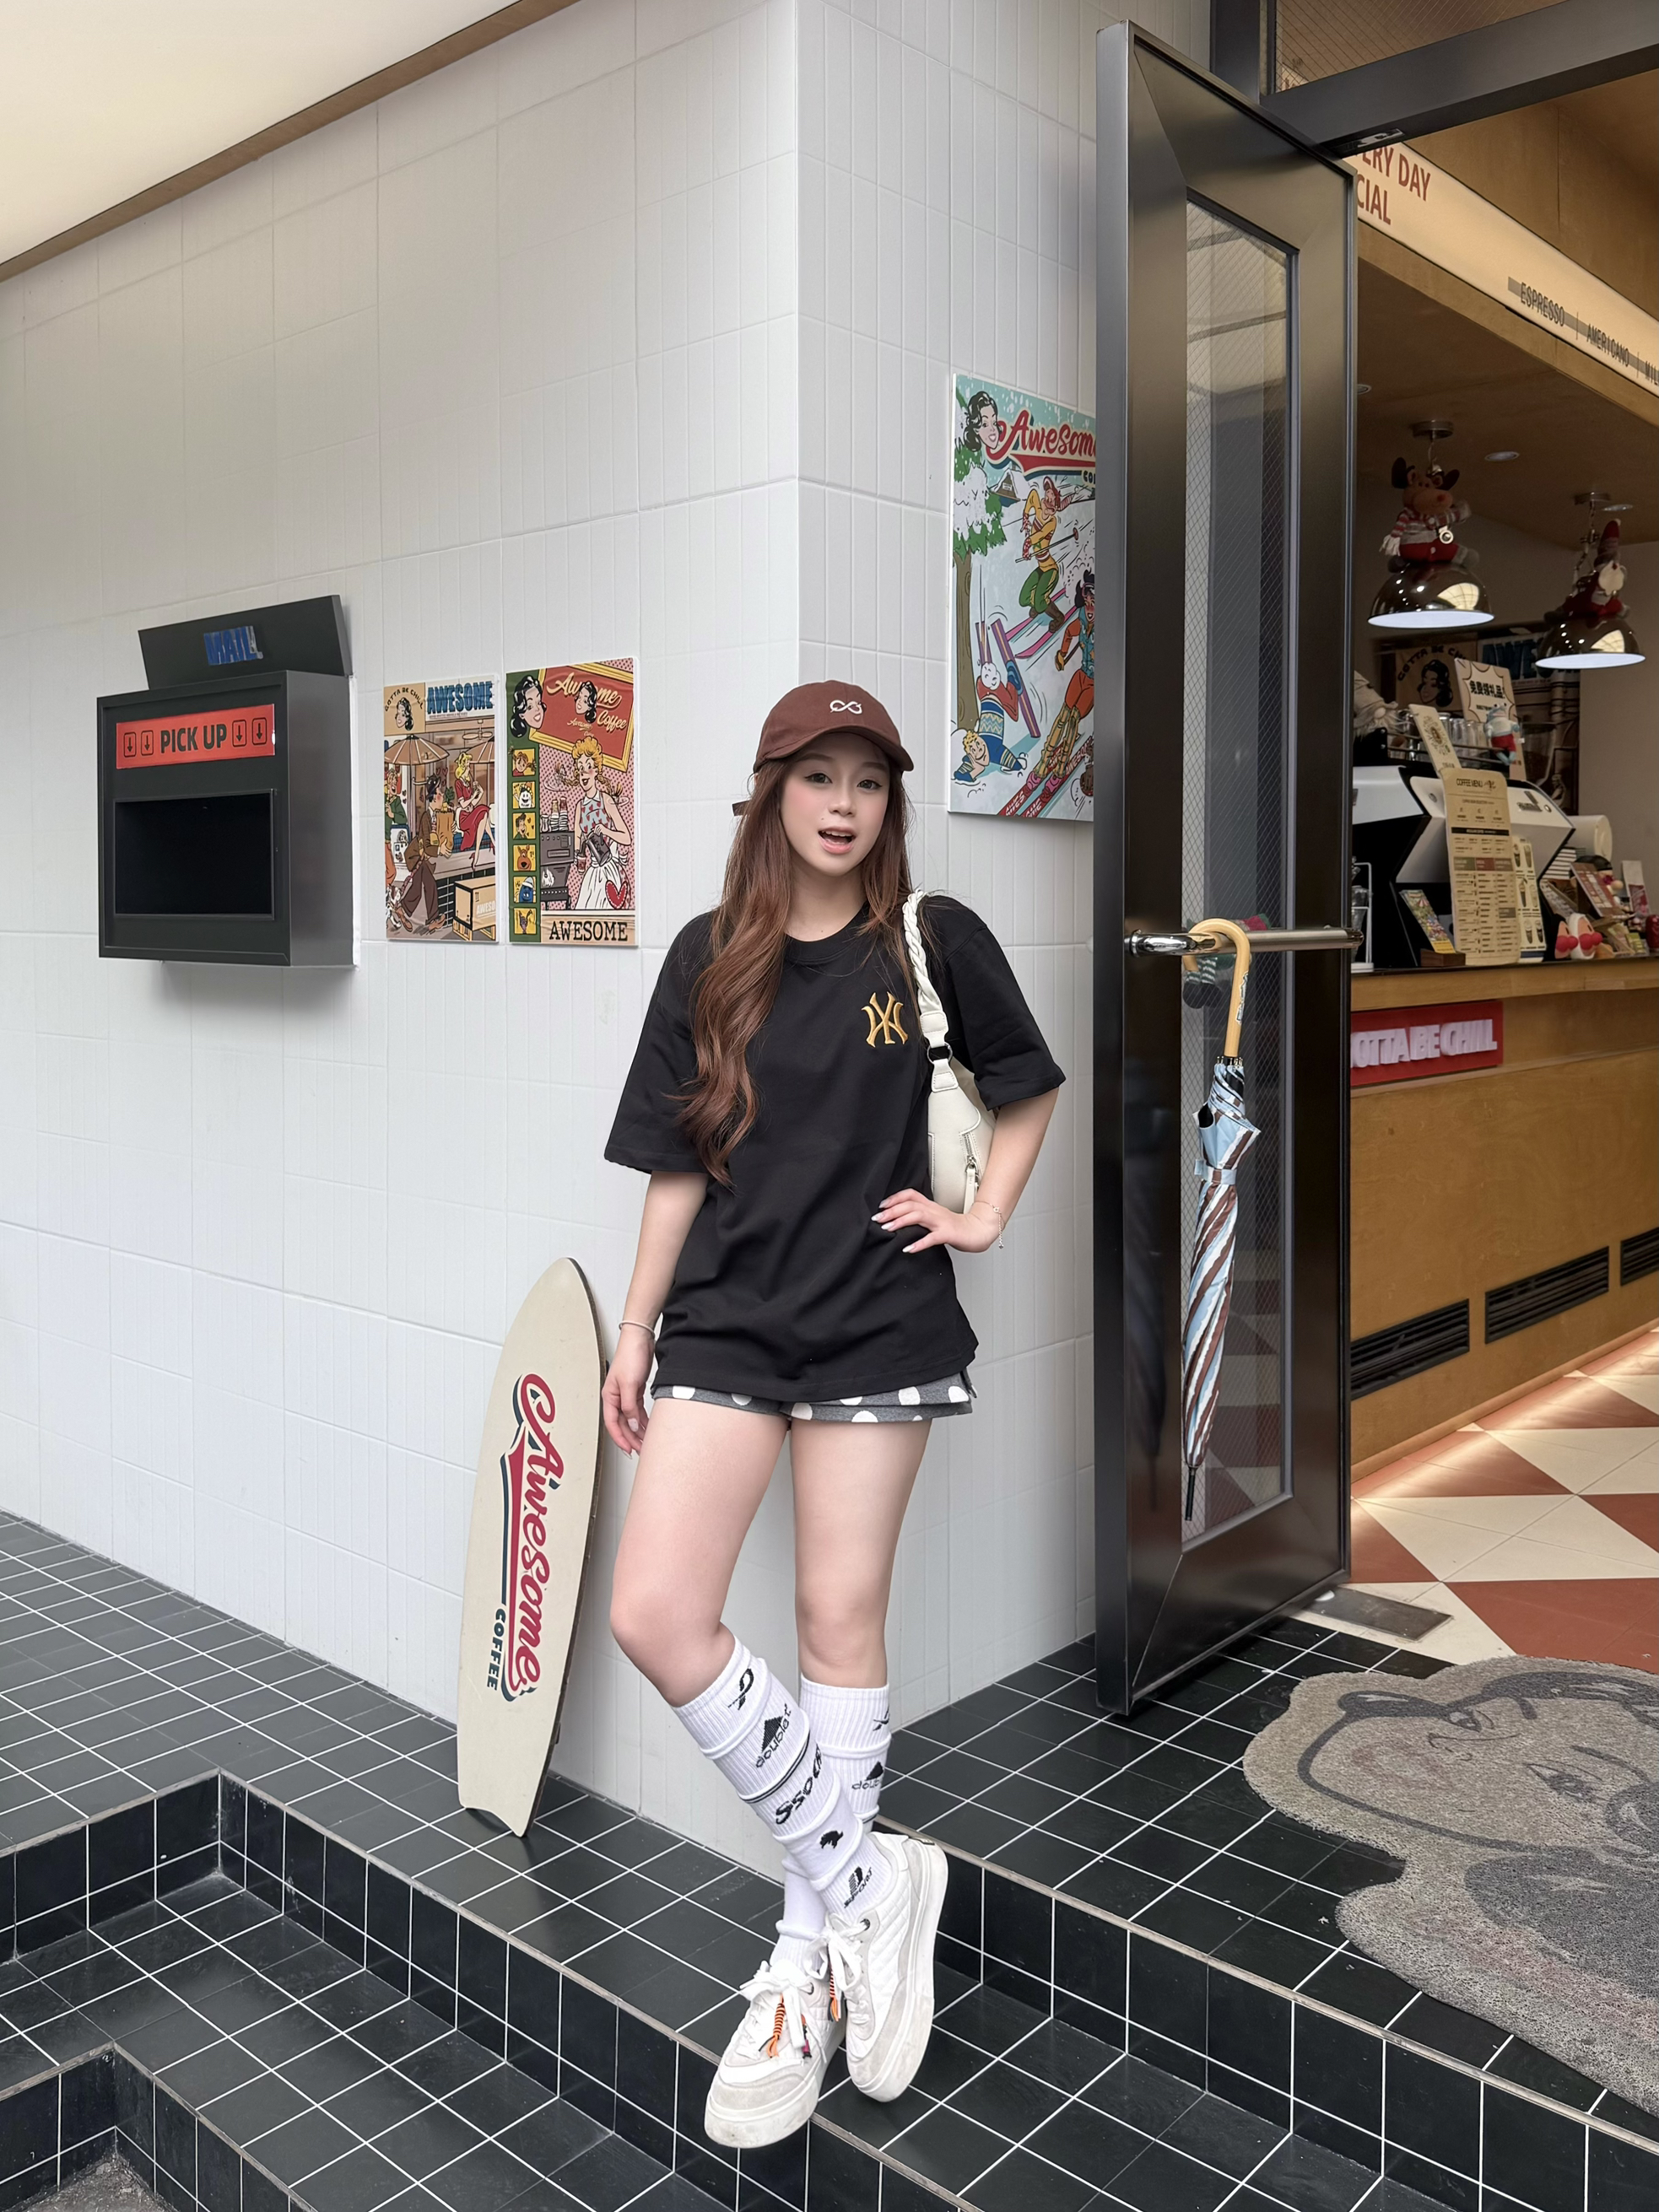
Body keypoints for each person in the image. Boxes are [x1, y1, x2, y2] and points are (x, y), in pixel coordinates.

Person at [603, 681, 1063, 2149]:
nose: (844, 804)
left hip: (876, 1319)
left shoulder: (929, 939)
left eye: (868, 780)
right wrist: (635, 1327)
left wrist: (980, 1216)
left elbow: (1026, 1086)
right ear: (769, 794)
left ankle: (806, 1962)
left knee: (832, 1619)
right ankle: (874, 1885)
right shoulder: (707, 956)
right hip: (727, 1320)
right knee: (656, 1611)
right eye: (817, 777)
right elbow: (677, 1163)